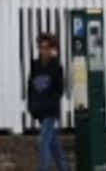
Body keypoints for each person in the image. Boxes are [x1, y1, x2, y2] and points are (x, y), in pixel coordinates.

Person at [27, 31, 68, 171]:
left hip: (50, 112)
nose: (43, 50)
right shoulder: (35, 65)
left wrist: (49, 104)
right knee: (54, 146)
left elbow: (59, 91)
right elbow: (31, 87)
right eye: (40, 47)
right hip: (39, 110)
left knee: (43, 142)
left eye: (46, 47)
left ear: (52, 49)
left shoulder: (57, 67)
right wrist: (31, 105)